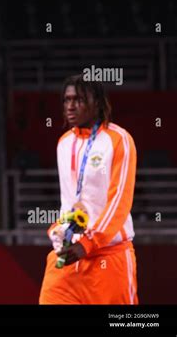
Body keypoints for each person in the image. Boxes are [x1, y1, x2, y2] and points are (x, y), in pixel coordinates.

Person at [39, 75, 138, 304]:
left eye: (79, 100)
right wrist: (59, 228)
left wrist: (89, 243)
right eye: (66, 100)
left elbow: (119, 202)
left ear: (98, 103)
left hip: (109, 257)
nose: (70, 106)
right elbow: (70, 199)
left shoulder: (118, 140)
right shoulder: (63, 143)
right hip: (69, 256)